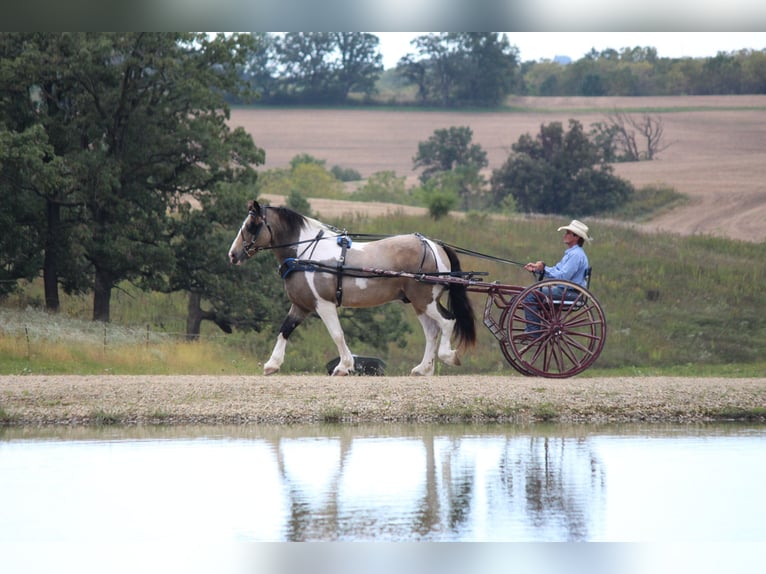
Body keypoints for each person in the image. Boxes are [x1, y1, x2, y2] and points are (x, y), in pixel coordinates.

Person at [519, 220, 592, 339]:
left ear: (576, 237)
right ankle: (534, 327)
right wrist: (539, 269)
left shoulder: (576, 255)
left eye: (568, 233)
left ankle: (533, 332)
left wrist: (543, 269)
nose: (565, 235)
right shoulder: (572, 253)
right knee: (527, 292)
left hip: (569, 293)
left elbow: (562, 277)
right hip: (564, 290)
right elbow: (557, 270)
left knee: (531, 294)